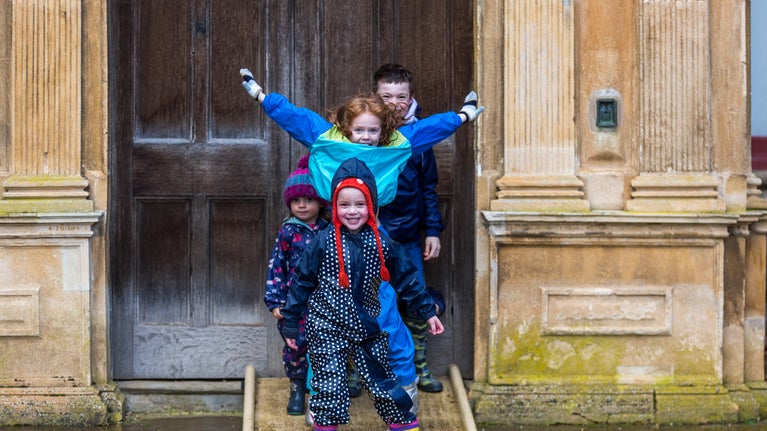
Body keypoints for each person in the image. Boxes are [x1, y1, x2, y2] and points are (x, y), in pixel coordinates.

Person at [281, 157, 444, 431]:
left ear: (372, 206)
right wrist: (290, 321)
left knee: (383, 384)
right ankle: (324, 424)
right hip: (327, 325)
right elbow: (301, 283)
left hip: (368, 325)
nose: (352, 211)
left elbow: (407, 279)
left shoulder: (382, 243)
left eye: (360, 204)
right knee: (329, 387)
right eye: (344, 205)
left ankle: (403, 424)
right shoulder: (322, 242)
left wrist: (427, 311)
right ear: (334, 206)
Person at [238, 68, 485, 209]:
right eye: (359, 130)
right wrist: (262, 97)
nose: (366, 137)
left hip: (373, 217)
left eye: (372, 131)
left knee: (378, 273)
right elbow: (295, 118)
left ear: (383, 130)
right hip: (337, 215)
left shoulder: (396, 143)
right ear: (347, 127)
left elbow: (429, 129)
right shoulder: (328, 138)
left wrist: (463, 116)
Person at [374, 63, 446, 392]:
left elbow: (428, 188)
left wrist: (432, 230)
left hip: (408, 236)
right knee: (368, 300)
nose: (394, 103)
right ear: (375, 98)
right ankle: (361, 369)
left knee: (416, 300)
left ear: (411, 98)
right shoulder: (365, 134)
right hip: (372, 234)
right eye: (386, 96)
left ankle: (419, 365)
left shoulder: (419, 138)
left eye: (401, 96)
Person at [264, 155, 329, 416]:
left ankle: (322, 392)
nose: (301, 206)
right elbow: (276, 267)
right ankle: (297, 387)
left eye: (308, 200)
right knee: (295, 347)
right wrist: (275, 302)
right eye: (296, 201)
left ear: (319, 202)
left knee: (324, 347)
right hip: (294, 305)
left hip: (324, 302)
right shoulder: (288, 232)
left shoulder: (327, 230)